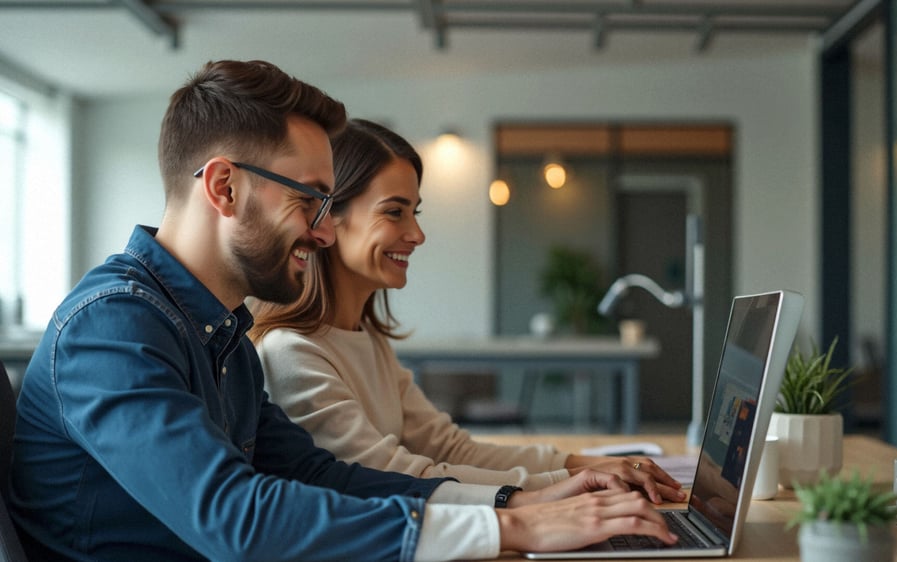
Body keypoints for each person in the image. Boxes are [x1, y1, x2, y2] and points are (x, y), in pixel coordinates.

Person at [8, 60, 677, 561]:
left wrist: (519, 501)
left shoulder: (222, 337)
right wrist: (512, 526)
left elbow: (319, 474)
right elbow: (234, 517)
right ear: (224, 186)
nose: (324, 234)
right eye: (312, 201)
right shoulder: (112, 328)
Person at [248, 119, 686, 503]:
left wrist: (584, 464)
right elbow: (392, 476)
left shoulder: (365, 337)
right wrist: (563, 481)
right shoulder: (293, 352)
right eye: (395, 212)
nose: (416, 234)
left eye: (414, 213)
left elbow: (448, 449)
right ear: (329, 219)